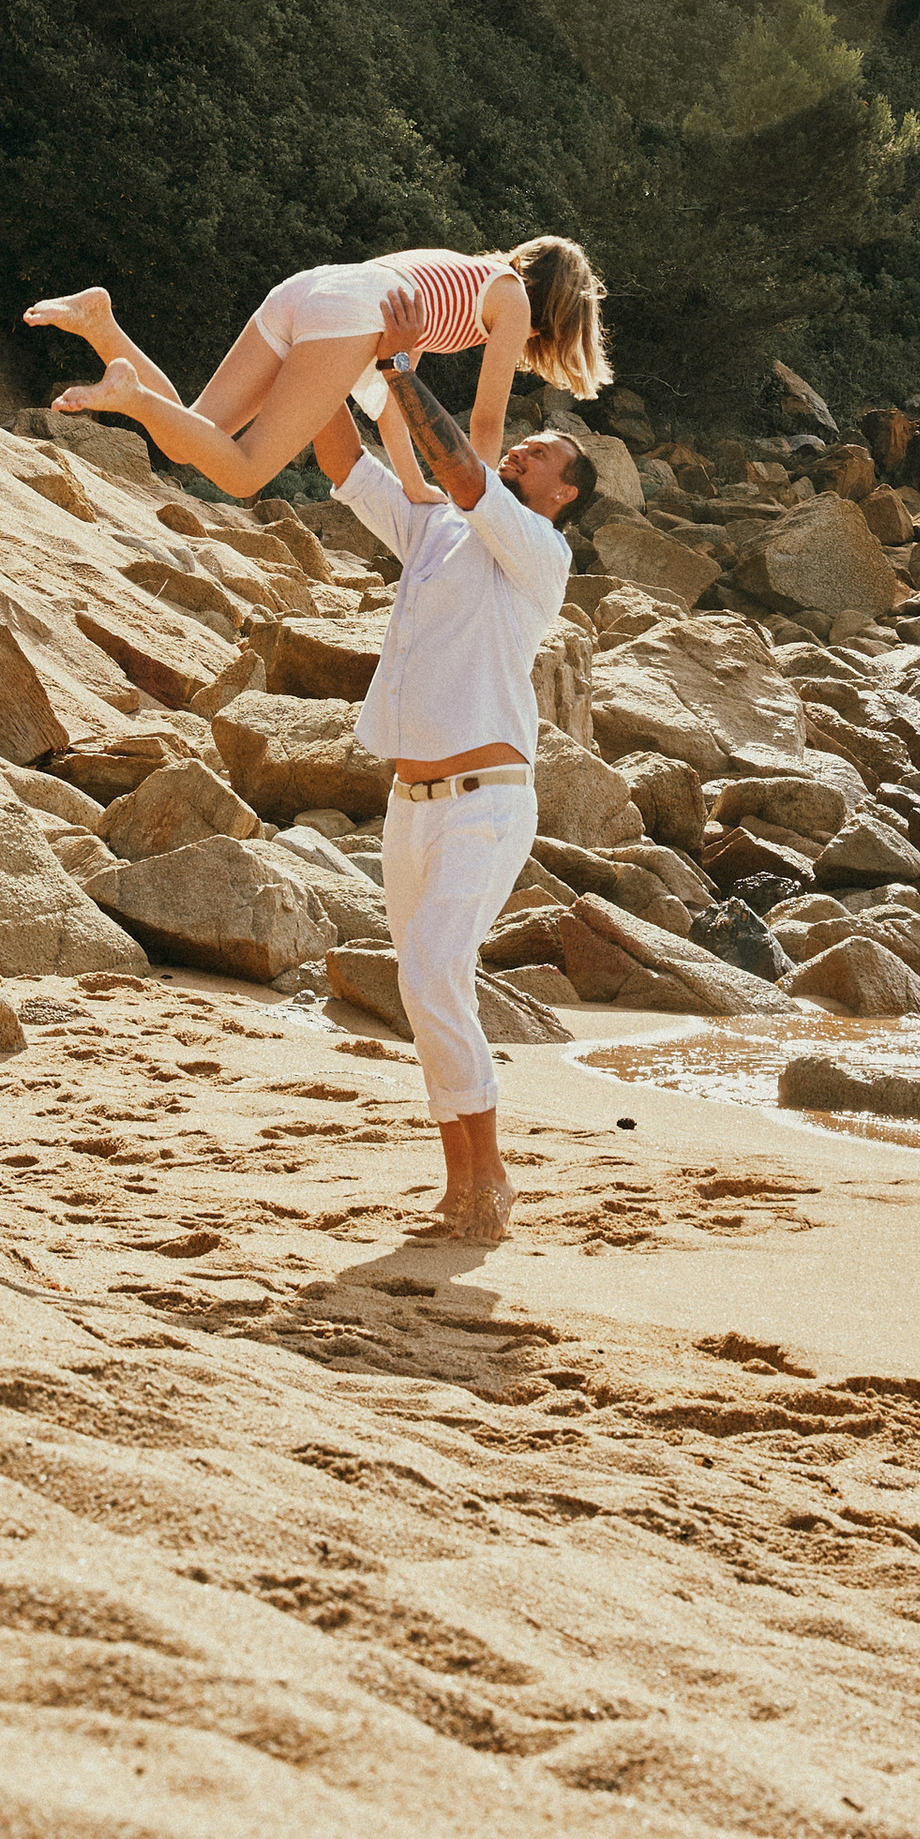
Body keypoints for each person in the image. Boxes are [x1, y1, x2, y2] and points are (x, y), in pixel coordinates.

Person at [312, 283, 594, 1241]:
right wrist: (326, 364)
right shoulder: (434, 531)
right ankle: (461, 1177)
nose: (523, 450)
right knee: (426, 984)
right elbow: (345, 462)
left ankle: (494, 1172)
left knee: (433, 971)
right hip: (409, 805)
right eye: (523, 441)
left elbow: (466, 472)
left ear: (561, 496)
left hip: (489, 802)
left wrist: (396, 372)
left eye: (543, 455)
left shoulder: (539, 551)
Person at [22, 237, 607, 502]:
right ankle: (130, 396)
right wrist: (482, 507)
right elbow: (486, 420)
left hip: (314, 286)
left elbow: (395, 396)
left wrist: (412, 485)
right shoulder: (513, 301)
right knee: (246, 472)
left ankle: (101, 324)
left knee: (193, 432)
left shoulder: (462, 277)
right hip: (348, 310)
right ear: (555, 313)